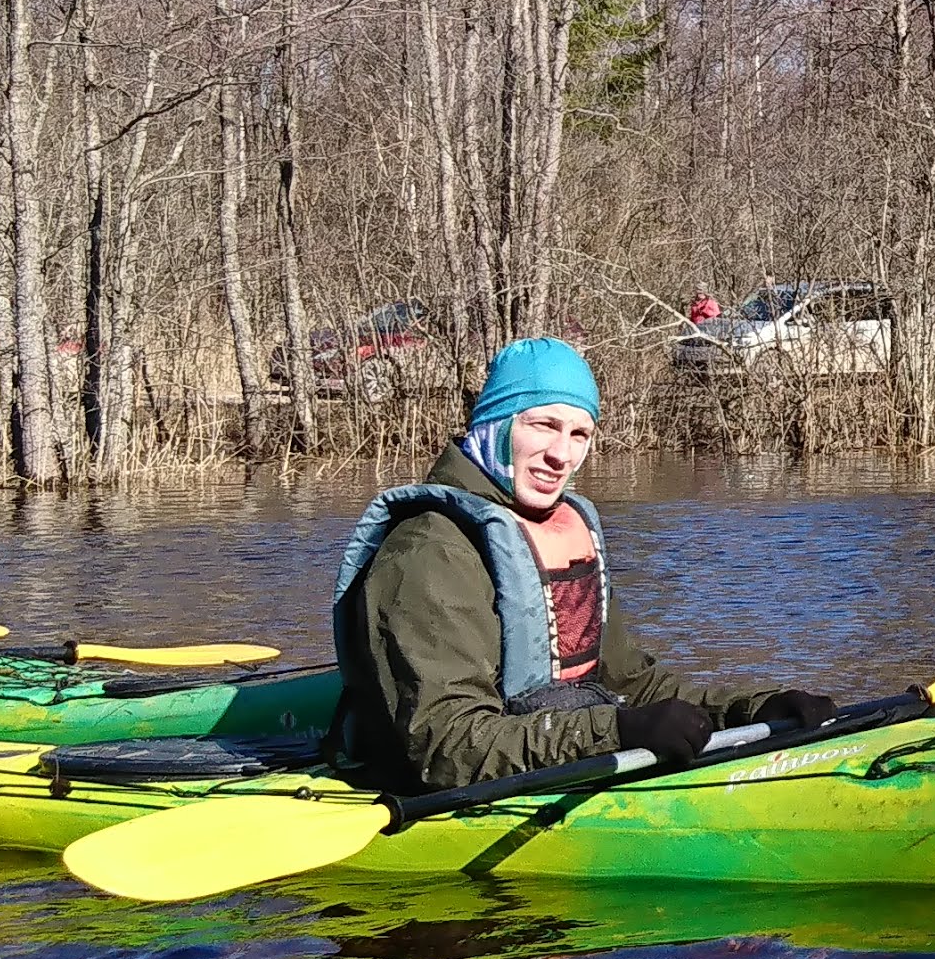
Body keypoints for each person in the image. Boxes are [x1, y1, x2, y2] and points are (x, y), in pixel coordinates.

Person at [331, 335, 829, 798]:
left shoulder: (560, 532)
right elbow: (449, 746)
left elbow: (632, 684)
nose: (561, 455)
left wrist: (753, 709)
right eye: (543, 425)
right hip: (440, 794)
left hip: (544, 762)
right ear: (495, 423)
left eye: (579, 434)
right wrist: (616, 731)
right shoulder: (427, 551)